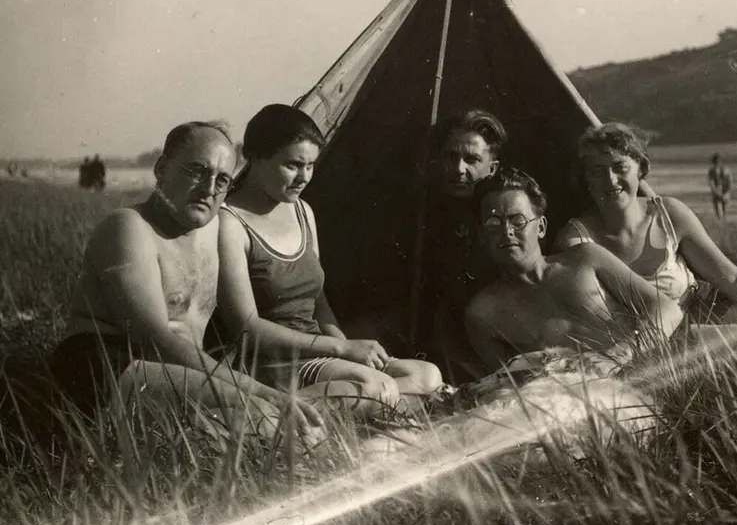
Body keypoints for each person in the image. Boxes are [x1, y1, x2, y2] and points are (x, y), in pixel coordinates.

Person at [48, 121, 324, 443]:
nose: (209, 188)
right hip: (107, 365)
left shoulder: (217, 227)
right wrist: (261, 391)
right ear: (162, 168)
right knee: (265, 419)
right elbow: (152, 338)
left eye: (222, 180)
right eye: (196, 171)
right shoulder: (128, 227)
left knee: (294, 425)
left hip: (181, 369)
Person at [217, 104, 443, 420]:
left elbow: (318, 301)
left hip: (318, 355)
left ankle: (340, 417)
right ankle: (270, 416)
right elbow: (247, 328)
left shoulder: (302, 212)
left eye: (310, 165)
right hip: (273, 363)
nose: (304, 177)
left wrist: (350, 351)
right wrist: (339, 351)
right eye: (293, 165)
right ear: (253, 156)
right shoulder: (230, 222)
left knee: (427, 375)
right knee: (378, 388)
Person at [553, 123, 737, 330]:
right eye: (596, 171)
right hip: (648, 341)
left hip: (702, 318)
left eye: (620, 167)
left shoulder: (668, 213)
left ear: (641, 169)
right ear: (585, 180)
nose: (610, 180)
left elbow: (732, 278)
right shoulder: (575, 241)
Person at [464, 168, 686, 375]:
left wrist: (618, 356)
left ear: (541, 227)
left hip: (652, 370)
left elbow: (666, 309)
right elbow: (506, 385)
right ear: (482, 235)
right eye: (494, 223)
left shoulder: (585, 259)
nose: (507, 231)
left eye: (518, 220)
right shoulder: (483, 313)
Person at [419, 109, 508, 383]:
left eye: (471, 160)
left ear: (492, 168)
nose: (458, 169)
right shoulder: (428, 213)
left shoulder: (508, 215)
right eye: (451, 156)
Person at [707, 153, 733, 221]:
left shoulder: (725, 170)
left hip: (722, 193)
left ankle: (723, 227)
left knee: (723, 214)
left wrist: (726, 193)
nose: (717, 163)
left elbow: (730, 183)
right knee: (720, 215)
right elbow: (711, 184)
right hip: (718, 193)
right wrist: (720, 193)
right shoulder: (712, 171)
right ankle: (722, 227)